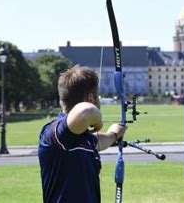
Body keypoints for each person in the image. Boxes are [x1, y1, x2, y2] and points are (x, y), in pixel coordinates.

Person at [38, 65, 127, 203]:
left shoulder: (83, 136)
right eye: (97, 96)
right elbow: (86, 111)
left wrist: (113, 134)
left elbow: (98, 142)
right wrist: (98, 122)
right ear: (91, 98)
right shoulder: (55, 133)